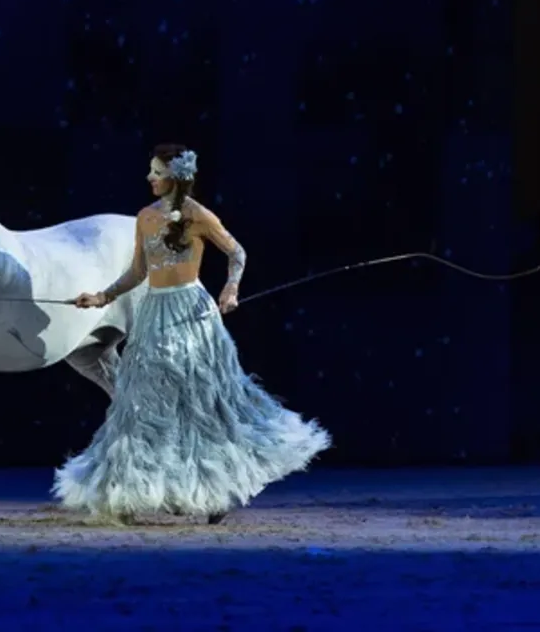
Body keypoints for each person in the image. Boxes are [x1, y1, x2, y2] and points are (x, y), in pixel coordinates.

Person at [52, 144, 331, 524]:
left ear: (175, 176)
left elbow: (237, 253)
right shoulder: (145, 217)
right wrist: (103, 296)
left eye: (157, 172)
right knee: (141, 401)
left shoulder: (198, 215)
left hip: (192, 312)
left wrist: (230, 289)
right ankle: (130, 491)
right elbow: (137, 272)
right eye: (151, 171)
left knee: (199, 402)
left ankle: (213, 489)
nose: (150, 178)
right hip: (154, 311)